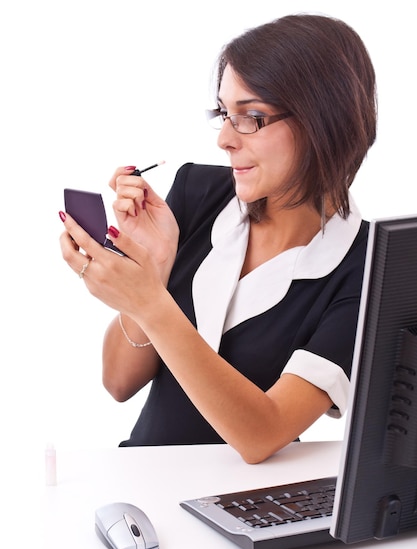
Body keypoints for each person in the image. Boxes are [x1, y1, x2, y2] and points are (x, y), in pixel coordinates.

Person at [59, 14, 377, 464]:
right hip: (142, 478)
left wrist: (150, 300)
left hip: (251, 510)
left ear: (325, 120)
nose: (224, 140)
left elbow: (264, 433)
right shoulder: (199, 193)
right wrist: (154, 266)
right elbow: (118, 382)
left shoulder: (365, 269)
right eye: (224, 114)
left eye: (252, 117)